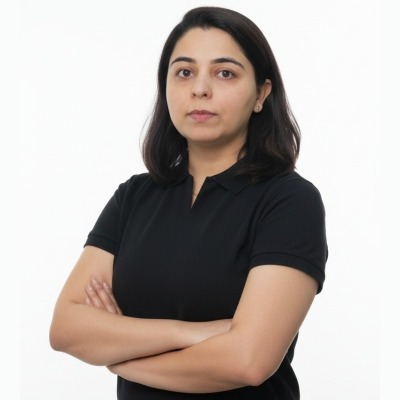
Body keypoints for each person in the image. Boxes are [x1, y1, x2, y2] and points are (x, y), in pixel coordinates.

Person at [49, 6, 328, 400]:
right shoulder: (134, 197)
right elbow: (65, 328)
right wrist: (190, 333)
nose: (200, 89)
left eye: (225, 73)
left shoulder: (289, 202)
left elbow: (248, 361)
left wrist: (120, 356)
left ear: (261, 94)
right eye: (184, 72)